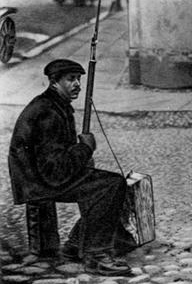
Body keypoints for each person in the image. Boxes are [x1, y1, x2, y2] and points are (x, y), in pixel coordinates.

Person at [8, 59, 132, 276]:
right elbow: (55, 171)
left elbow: (56, 157)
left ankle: (76, 243)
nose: (77, 85)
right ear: (54, 81)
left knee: (104, 182)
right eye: (70, 79)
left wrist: (80, 156)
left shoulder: (53, 104)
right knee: (110, 185)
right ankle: (96, 255)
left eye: (79, 79)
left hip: (40, 176)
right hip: (39, 182)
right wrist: (84, 149)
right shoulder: (49, 112)